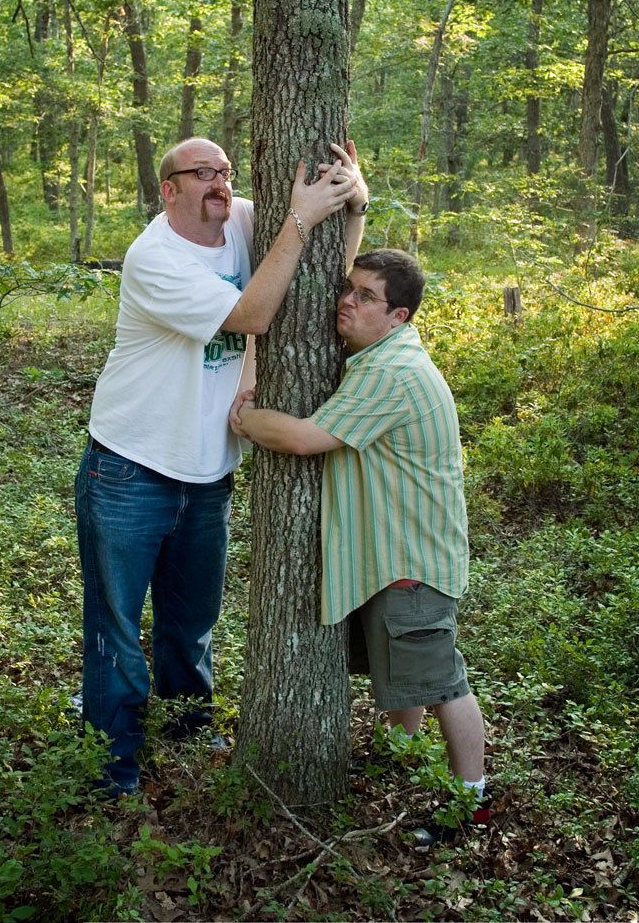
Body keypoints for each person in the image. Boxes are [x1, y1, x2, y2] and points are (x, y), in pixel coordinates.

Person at [75, 137, 366, 798]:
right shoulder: (153, 257)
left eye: (226, 172)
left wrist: (354, 203)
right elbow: (254, 311)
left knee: (191, 624)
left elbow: (317, 267)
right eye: (201, 172)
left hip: (208, 472)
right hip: (130, 467)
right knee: (116, 630)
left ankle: (185, 732)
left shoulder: (240, 216)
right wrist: (300, 220)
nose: (219, 182)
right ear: (168, 189)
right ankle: (111, 775)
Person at [231, 248, 489, 845]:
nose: (346, 300)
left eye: (366, 296)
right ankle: (402, 755)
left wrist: (247, 418)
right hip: (398, 551)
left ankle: (469, 800)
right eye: (348, 288)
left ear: (397, 316)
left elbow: (300, 439)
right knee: (407, 675)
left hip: (411, 559)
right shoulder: (383, 355)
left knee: (440, 681)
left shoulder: (390, 372)